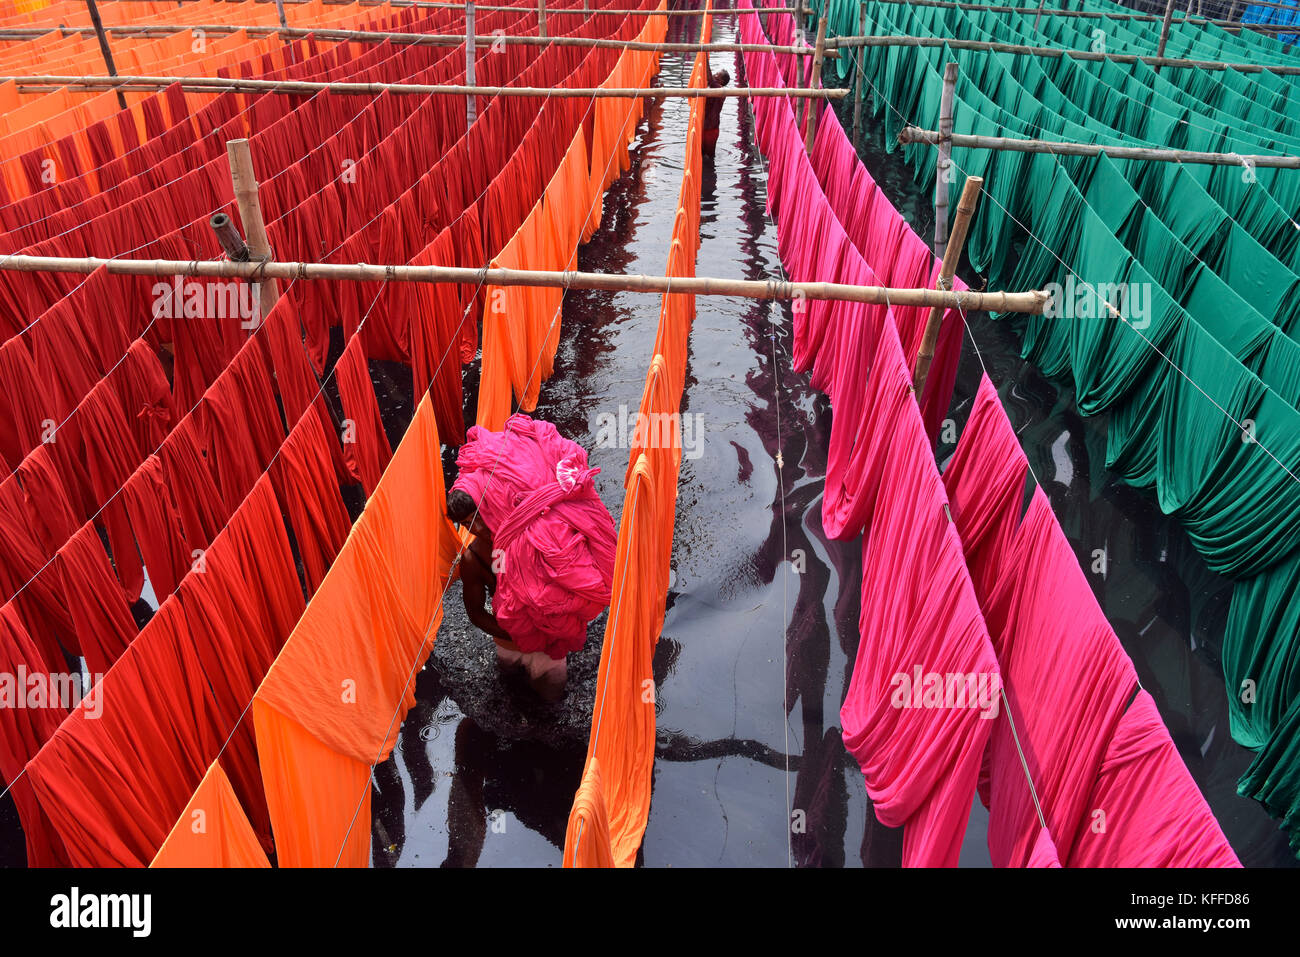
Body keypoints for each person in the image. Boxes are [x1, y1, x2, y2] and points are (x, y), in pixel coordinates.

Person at [448, 415, 617, 703]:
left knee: (551, 700)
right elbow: (476, 613)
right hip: (510, 642)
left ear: (492, 504)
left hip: (550, 648)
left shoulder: (536, 535)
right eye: (464, 524)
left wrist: (544, 638)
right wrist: (524, 636)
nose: (474, 528)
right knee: (509, 692)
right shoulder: (473, 558)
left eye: (476, 518)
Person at [702, 69, 730, 160]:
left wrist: (705, 56)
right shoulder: (713, 88)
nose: (714, 74)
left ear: (721, 81)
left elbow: (709, 78)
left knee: (709, 156)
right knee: (702, 154)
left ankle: (709, 172)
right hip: (706, 126)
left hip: (711, 129)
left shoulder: (719, 89)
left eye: (717, 74)